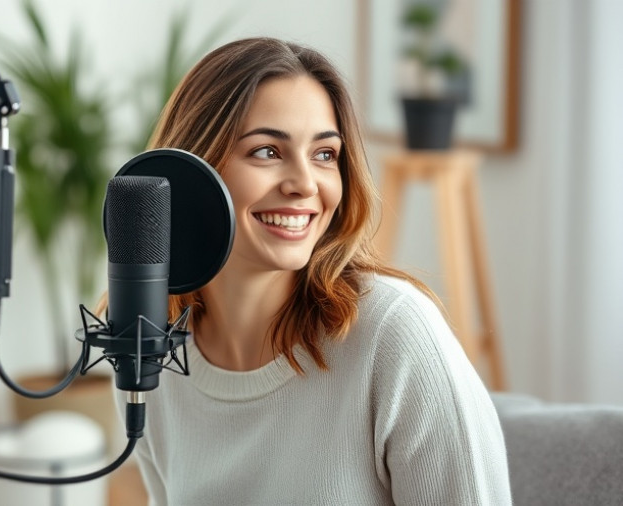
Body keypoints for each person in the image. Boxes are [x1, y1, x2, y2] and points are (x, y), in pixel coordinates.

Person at [118, 37, 511, 505]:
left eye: (325, 155)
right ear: (190, 172)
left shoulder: (394, 335)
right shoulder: (147, 351)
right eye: (267, 151)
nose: (305, 184)